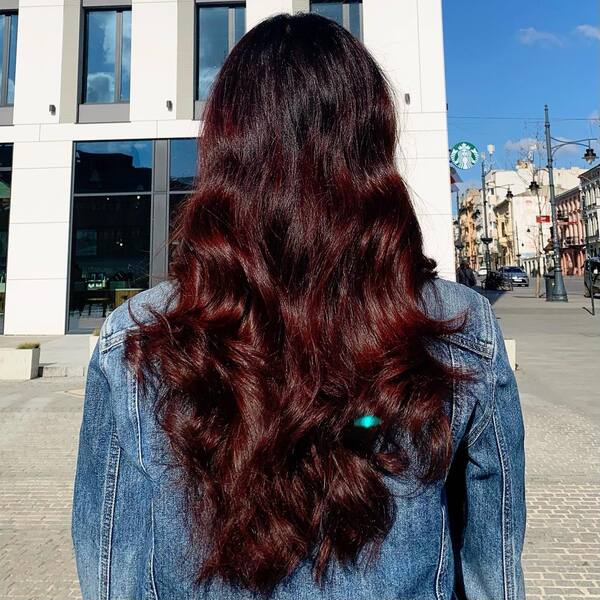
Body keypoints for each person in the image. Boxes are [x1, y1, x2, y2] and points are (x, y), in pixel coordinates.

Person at [72, 13, 525, 600]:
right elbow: (491, 569)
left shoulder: (138, 342)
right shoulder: (456, 330)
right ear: (372, 153)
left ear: (224, 156)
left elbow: (112, 574)